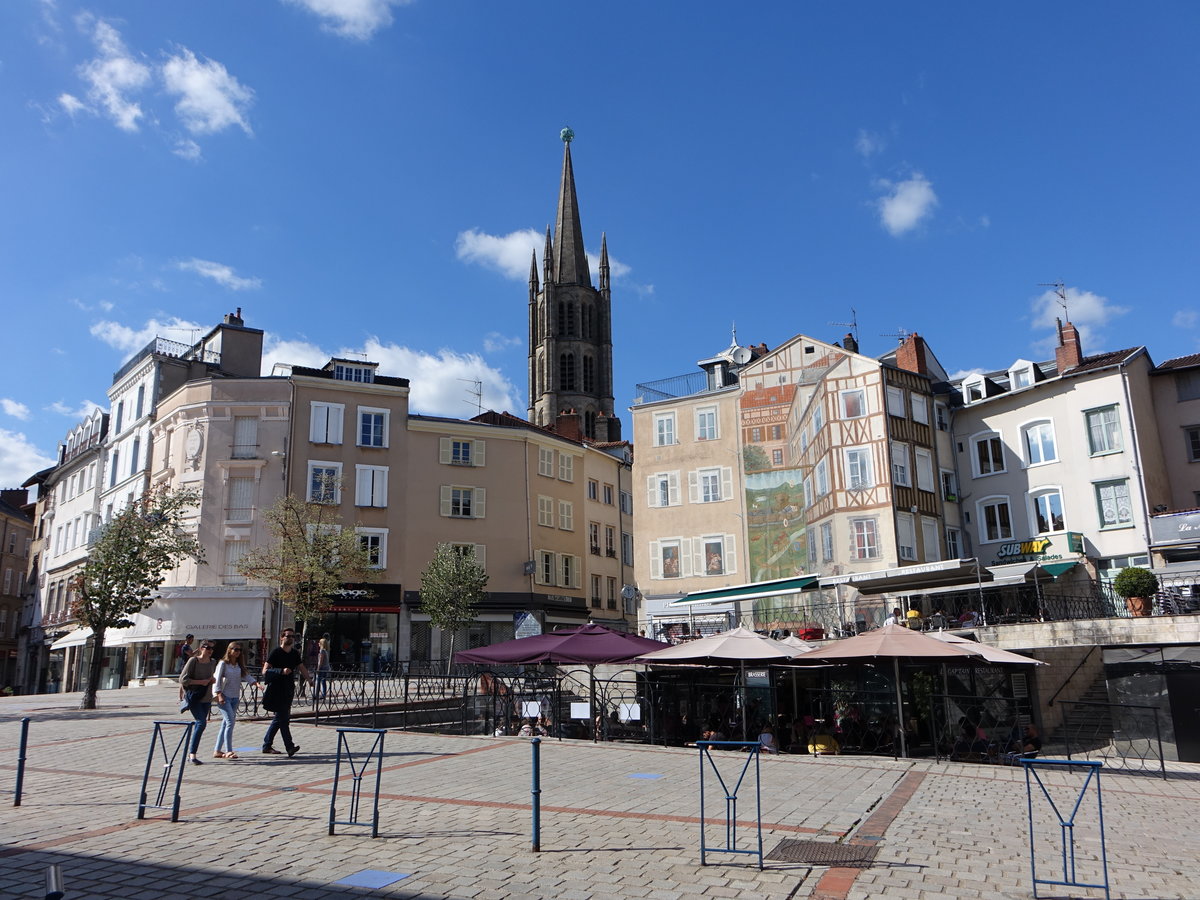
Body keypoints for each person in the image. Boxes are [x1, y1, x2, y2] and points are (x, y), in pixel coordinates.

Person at [261, 628, 313, 757]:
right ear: (282, 638)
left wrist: (309, 680)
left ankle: (267, 745)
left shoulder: (294, 653)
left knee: (280, 718)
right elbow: (264, 671)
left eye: (293, 636)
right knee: (283, 719)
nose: (290, 638)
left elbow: (301, 667)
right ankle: (289, 746)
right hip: (276, 689)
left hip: (288, 689)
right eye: (288, 636)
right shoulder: (276, 652)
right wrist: (281, 671)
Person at [212, 641, 257, 759]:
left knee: (225, 723)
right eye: (235, 649)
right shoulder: (223, 664)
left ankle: (217, 750)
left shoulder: (238, 665)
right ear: (229, 650)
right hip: (224, 696)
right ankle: (229, 751)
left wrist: (255, 683)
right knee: (231, 722)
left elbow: (245, 675)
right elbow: (216, 679)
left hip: (235, 697)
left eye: (240, 650)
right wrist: (219, 694)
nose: (238, 652)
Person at [179, 640, 216, 766]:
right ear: (200, 648)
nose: (210, 650)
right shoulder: (193, 661)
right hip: (194, 698)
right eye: (207, 647)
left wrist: (212, 681)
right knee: (201, 723)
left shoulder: (212, 662)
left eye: (212, 648)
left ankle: (192, 753)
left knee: (201, 725)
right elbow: (183, 679)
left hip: (206, 698)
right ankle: (192, 755)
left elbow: (210, 678)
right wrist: (201, 682)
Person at [315, 636, 332, 703]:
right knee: (323, 681)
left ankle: (316, 694)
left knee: (319, 681)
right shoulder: (326, 651)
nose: (318, 643)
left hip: (322, 668)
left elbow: (320, 661)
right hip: (326, 668)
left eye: (319, 642)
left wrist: (318, 668)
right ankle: (324, 694)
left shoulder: (322, 651)